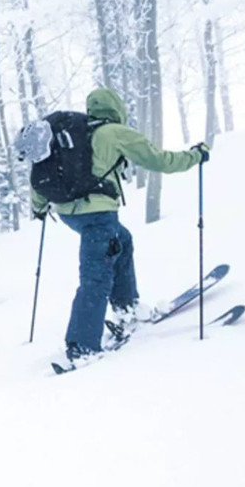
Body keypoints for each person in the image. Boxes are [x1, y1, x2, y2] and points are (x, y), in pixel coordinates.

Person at [32, 88, 209, 368]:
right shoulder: (113, 132)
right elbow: (158, 160)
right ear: (116, 107)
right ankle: (82, 346)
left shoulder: (70, 135)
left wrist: (39, 206)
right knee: (96, 275)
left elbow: (43, 171)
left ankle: (126, 306)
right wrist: (195, 157)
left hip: (69, 213)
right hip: (98, 214)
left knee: (122, 240)